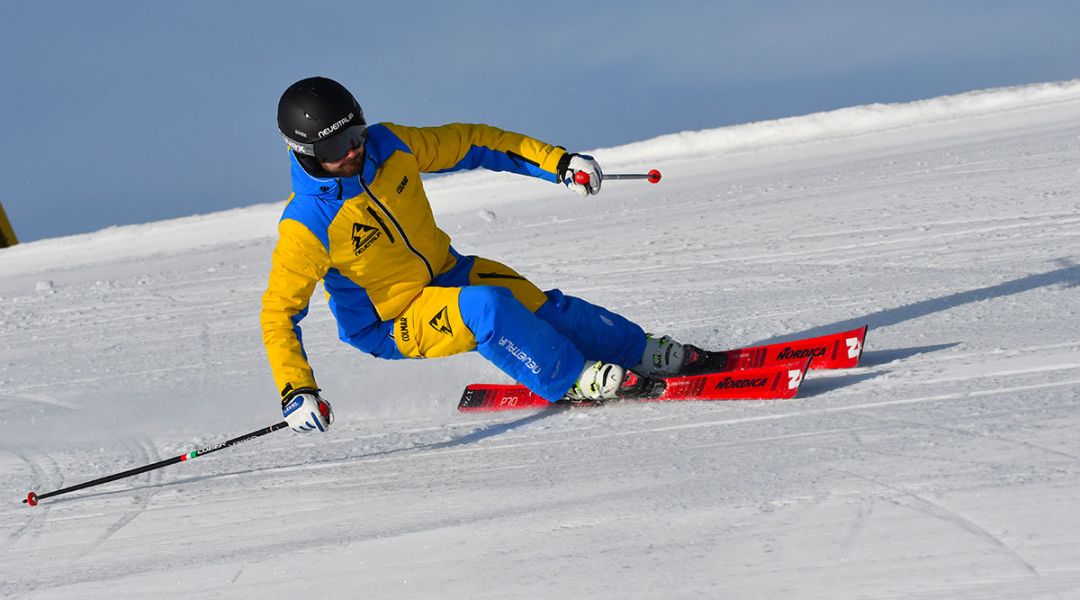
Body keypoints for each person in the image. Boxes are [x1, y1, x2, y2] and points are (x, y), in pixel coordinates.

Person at [263, 76, 708, 432]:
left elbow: (473, 141)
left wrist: (557, 163)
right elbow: (279, 314)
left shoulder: (390, 146)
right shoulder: (307, 224)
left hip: (448, 271)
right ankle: (570, 378)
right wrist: (296, 389)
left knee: (540, 307)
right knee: (488, 310)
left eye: (356, 134)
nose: (355, 150)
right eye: (336, 148)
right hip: (391, 320)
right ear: (304, 153)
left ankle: (637, 349)